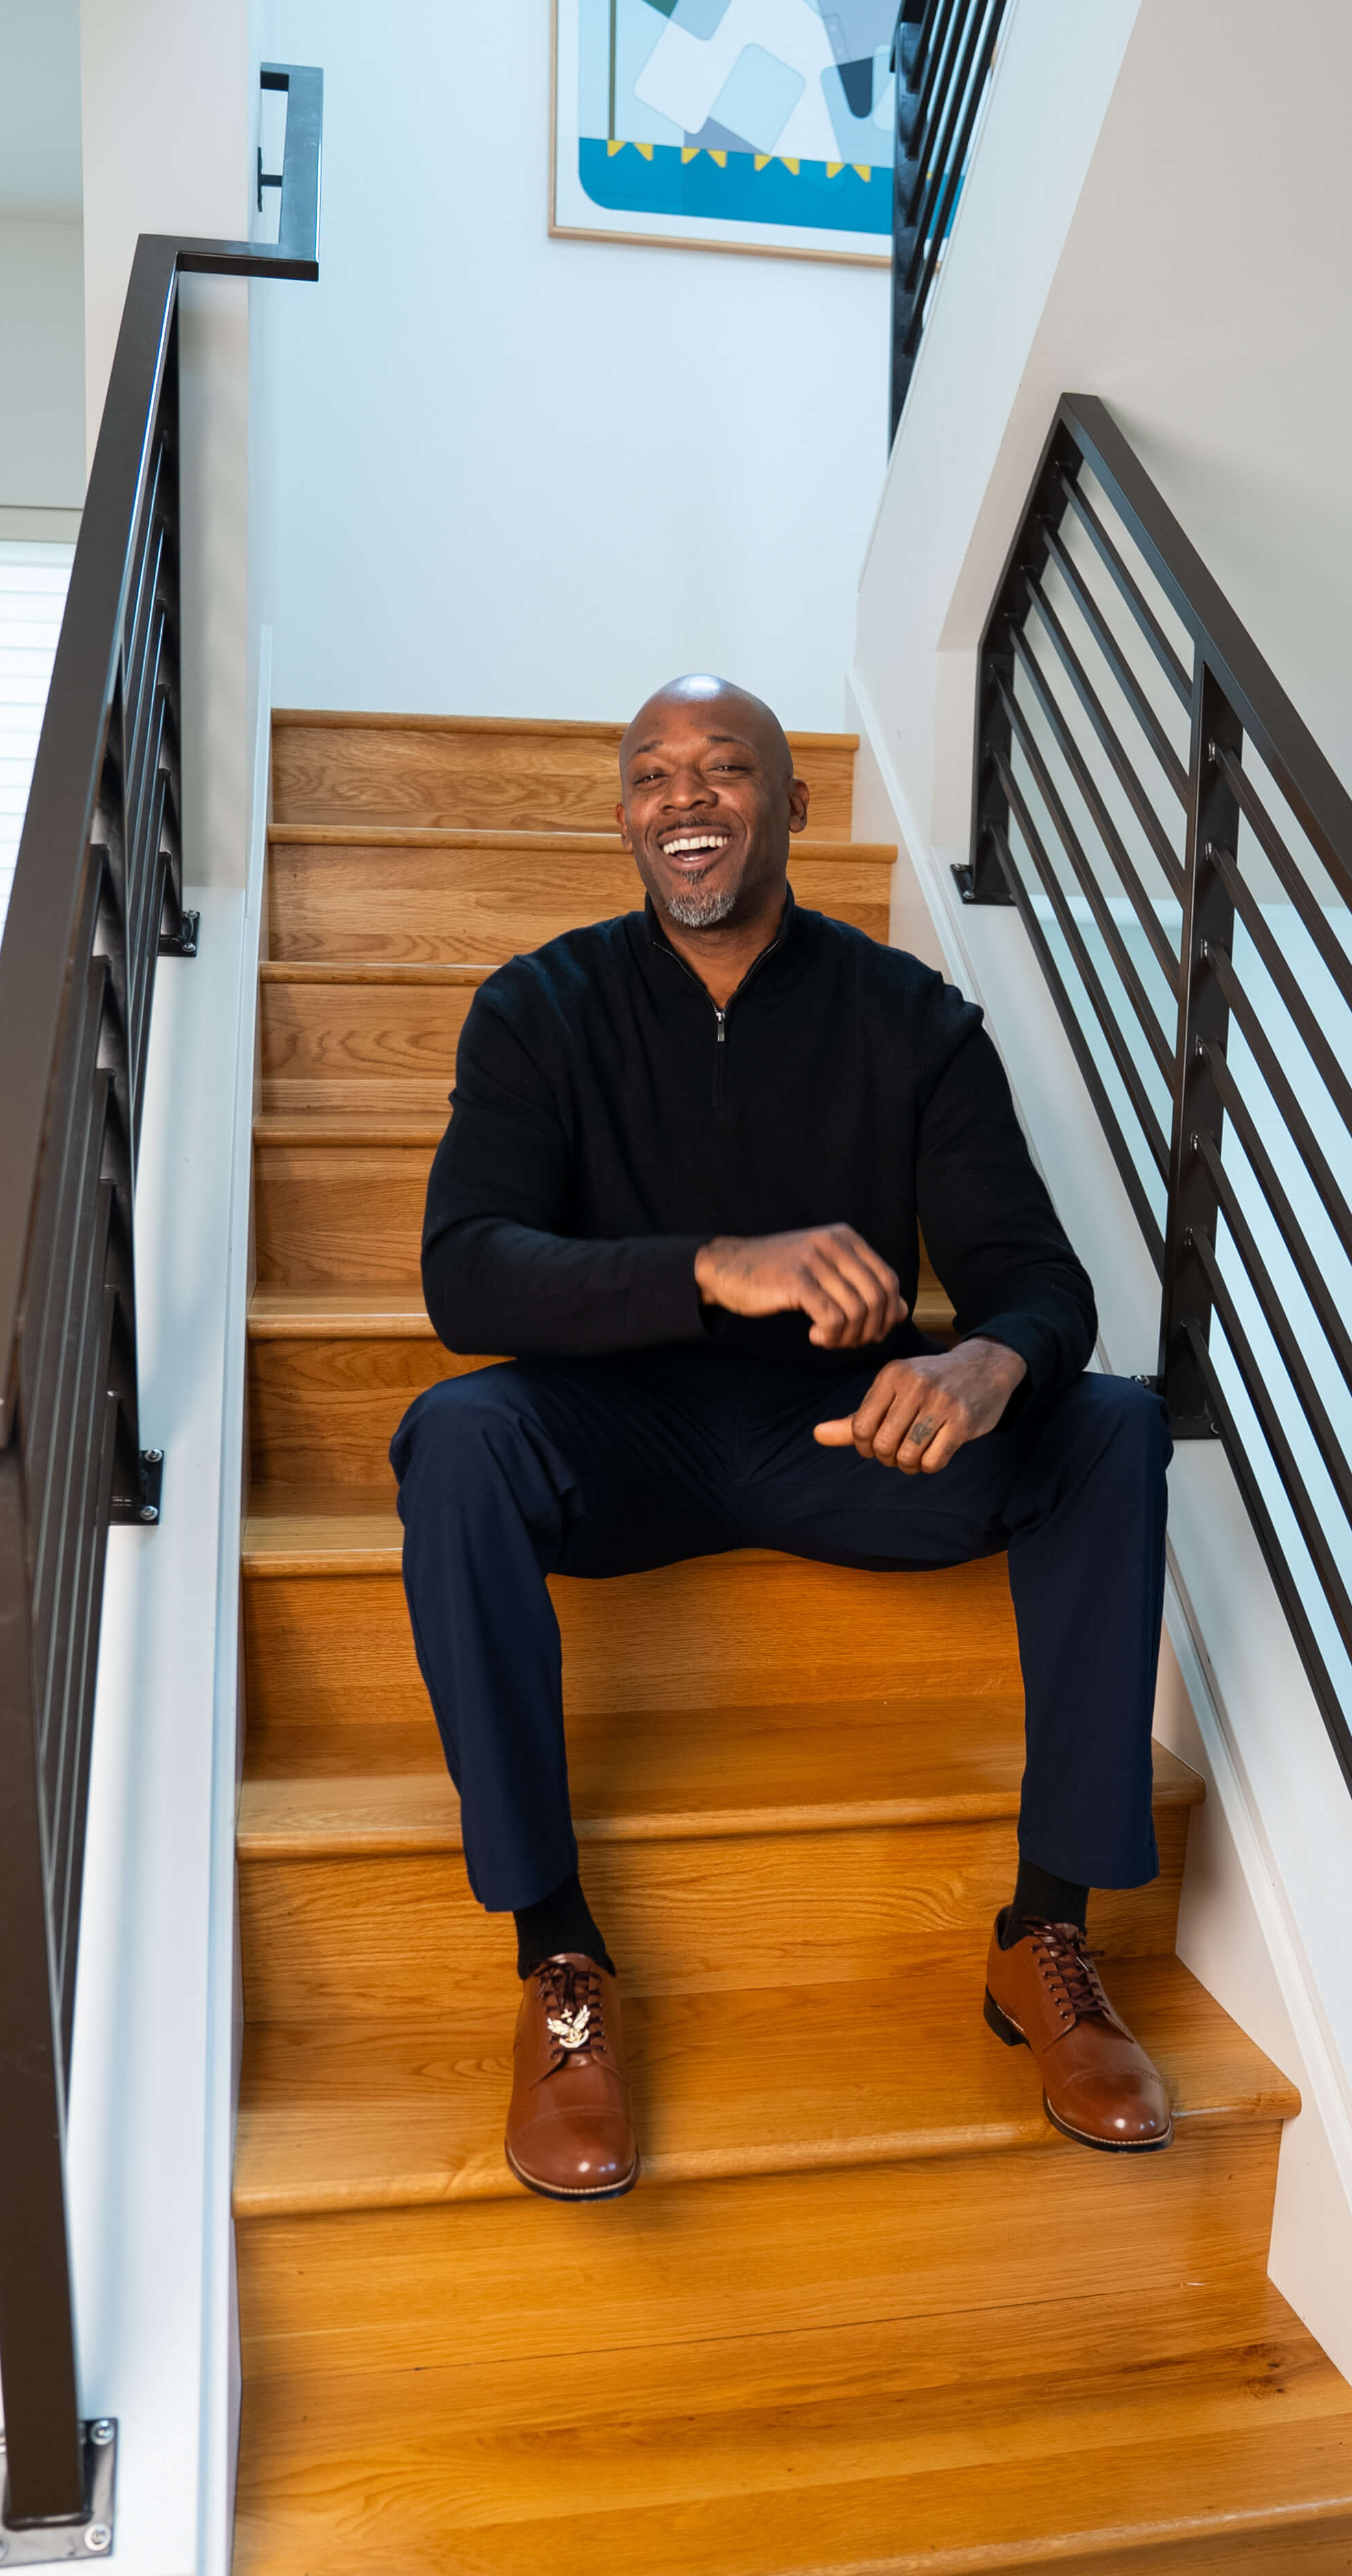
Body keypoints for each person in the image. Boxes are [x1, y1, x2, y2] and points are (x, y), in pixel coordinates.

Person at [390, 674, 1174, 2201]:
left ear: (794, 805)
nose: (684, 796)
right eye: (651, 774)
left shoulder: (914, 1019)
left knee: (1112, 1427)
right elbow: (464, 1273)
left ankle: (1046, 1934)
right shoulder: (537, 1007)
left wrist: (991, 1363)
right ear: (626, 816)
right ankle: (558, 1957)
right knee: (457, 1438)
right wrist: (709, 1263)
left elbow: (1038, 1279)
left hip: (842, 1437)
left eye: (726, 767)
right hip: (615, 1435)